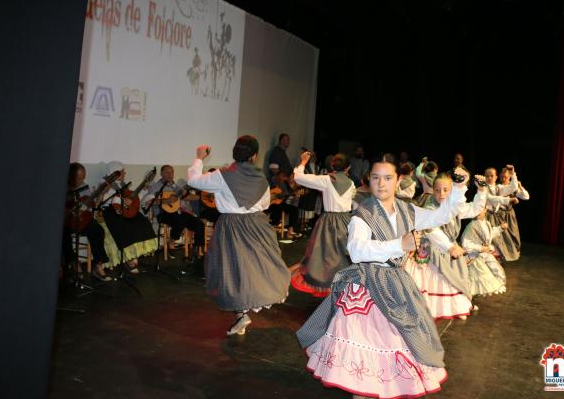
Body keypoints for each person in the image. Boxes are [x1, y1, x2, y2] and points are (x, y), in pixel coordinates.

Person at [297, 158, 469, 399]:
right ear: (369, 180)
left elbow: (439, 216)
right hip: (367, 284)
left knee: (394, 339)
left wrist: (459, 188)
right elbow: (357, 251)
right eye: (376, 178)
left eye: (387, 178)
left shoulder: (406, 210)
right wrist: (401, 244)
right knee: (365, 345)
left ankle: (379, 386)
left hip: (396, 283)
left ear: (398, 180)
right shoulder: (363, 213)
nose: (381, 183)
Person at [187, 136, 291, 336]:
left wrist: (199, 158)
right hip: (256, 225)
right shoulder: (261, 178)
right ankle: (248, 309)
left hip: (231, 227)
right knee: (257, 267)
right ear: (254, 156)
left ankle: (241, 313)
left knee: (232, 272)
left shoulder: (223, 175)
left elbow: (193, 180)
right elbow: (265, 204)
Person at [406, 172, 487, 320]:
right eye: (437, 190)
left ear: (452, 190)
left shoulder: (454, 207)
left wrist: (481, 191)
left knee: (457, 276)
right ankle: (441, 308)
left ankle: (460, 303)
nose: (441, 194)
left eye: (445, 190)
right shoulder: (431, 207)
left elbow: (474, 209)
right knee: (440, 278)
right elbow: (432, 230)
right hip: (434, 250)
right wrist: (450, 247)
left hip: (450, 248)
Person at [290, 152, 355, 297]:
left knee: (325, 256)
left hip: (329, 222)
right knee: (344, 256)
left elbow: (299, 177)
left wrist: (303, 162)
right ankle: (344, 288)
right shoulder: (351, 183)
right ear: (348, 167)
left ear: (333, 165)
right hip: (346, 221)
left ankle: (329, 286)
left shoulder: (327, 179)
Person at [99, 161, 157, 273]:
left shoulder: (122, 184)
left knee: (142, 221)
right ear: (114, 172)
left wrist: (143, 189)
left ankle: (134, 254)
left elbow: (132, 199)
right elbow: (105, 198)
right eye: (122, 172)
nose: (124, 173)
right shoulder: (105, 183)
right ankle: (128, 258)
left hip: (124, 211)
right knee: (125, 226)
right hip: (111, 212)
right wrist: (121, 200)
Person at [61, 163, 112, 281]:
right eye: (79, 178)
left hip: (81, 220)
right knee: (62, 235)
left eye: (83, 177)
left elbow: (92, 205)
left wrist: (101, 193)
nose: (82, 181)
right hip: (67, 221)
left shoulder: (84, 186)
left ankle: (98, 265)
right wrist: (70, 210)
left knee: (98, 230)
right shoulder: (62, 185)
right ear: (70, 176)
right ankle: (74, 263)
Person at [143, 165, 206, 255]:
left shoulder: (175, 186)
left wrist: (200, 197)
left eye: (172, 172)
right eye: (167, 172)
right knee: (180, 221)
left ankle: (197, 250)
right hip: (162, 213)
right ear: (161, 174)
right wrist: (166, 201)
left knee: (199, 224)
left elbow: (185, 196)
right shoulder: (155, 187)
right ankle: (171, 241)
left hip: (177, 212)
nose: (170, 174)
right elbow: (148, 203)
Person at [461, 207, 508, 296]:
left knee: (497, 270)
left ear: (485, 210)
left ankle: (496, 283)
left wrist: (500, 228)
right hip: (475, 255)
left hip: (485, 253)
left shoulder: (486, 223)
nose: (478, 211)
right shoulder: (472, 225)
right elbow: (465, 243)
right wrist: (480, 248)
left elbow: (489, 234)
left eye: (481, 209)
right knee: (482, 276)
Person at [484, 165, 527, 261]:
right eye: (487, 176)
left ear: (495, 177)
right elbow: (491, 198)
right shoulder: (483, 187)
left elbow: (513, 187)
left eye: (491, 175)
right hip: (485, 217)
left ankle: (494, 259)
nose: (489, 178)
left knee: (496, 240)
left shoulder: (498, 188)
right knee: (487, 238)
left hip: (494, 217)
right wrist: (508, 199)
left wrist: (513, 173)